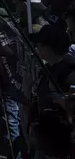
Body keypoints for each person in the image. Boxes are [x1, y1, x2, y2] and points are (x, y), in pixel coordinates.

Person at [29, 23, 75, 159]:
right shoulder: (47, 69)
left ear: (48, 49)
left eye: (39, 45)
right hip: (45, 139)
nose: (36, 48)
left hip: (61, 143)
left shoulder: (69, 71)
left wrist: (62, 100)